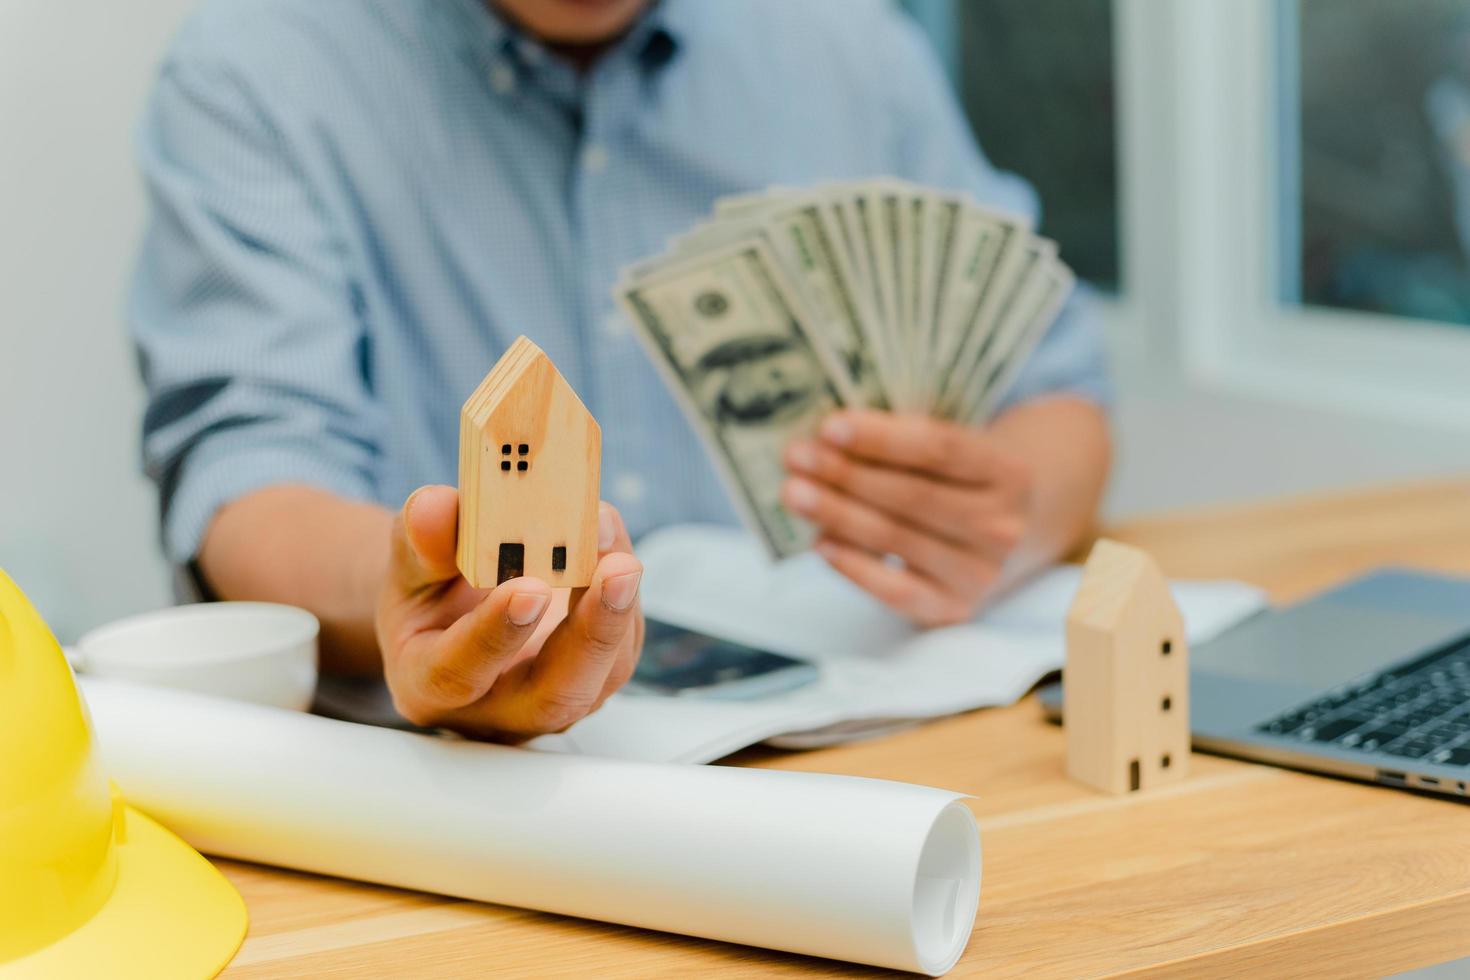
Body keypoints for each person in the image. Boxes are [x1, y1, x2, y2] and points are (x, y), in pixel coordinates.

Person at [130, 0, 1112, 740]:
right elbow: (248, 480)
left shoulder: (852, 46)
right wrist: (415, 591)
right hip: (441, 802)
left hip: (853, 756)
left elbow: (1058, 391)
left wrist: (1002, 520)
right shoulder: (256, 68)